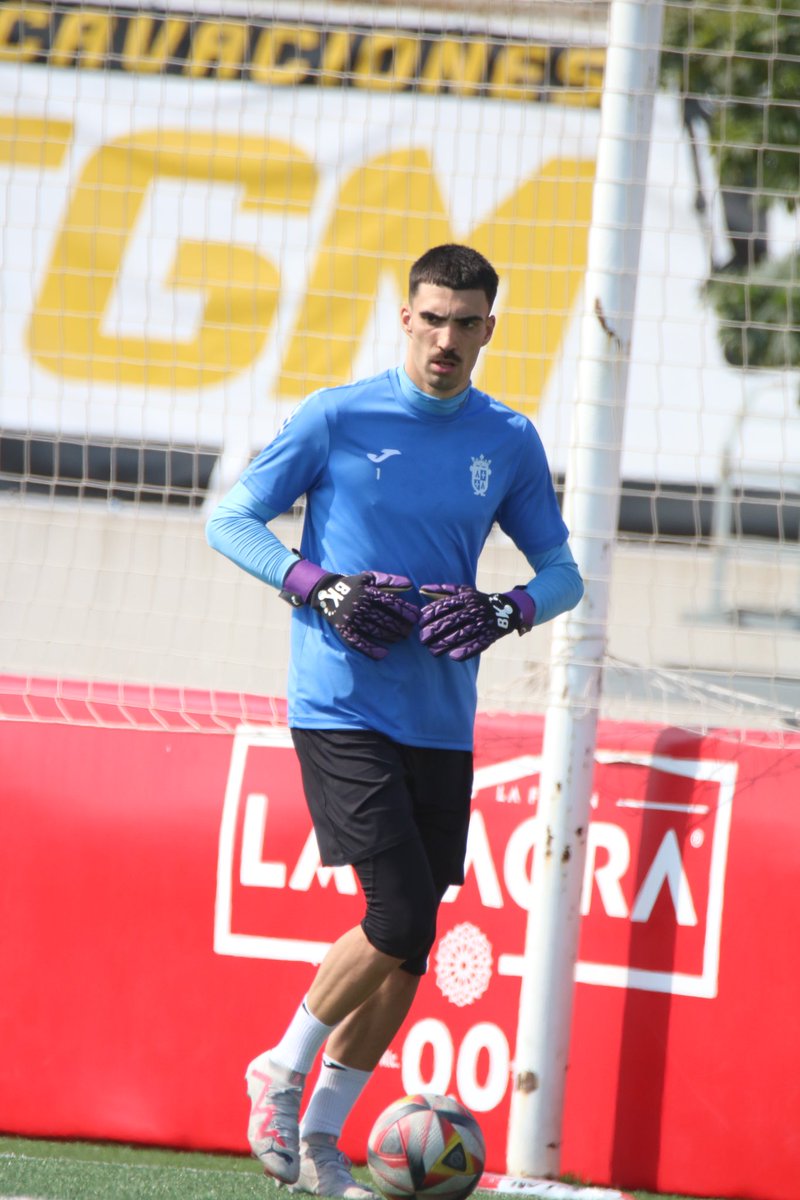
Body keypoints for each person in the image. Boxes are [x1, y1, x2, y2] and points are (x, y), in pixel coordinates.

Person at [206, 243, 584, 1198]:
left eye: (466, 323)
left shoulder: (509, 440)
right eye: (432, 319)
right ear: (405, 318)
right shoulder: (338, 415)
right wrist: (315, 586)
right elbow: (232, 519)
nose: (446, 339)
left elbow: (564, 573)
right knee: (399, 912)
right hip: (342, 704)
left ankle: (326, 1140)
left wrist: (507, 611)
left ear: (488, 330)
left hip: (440, 720)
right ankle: (282, 1071)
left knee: (411, 949)